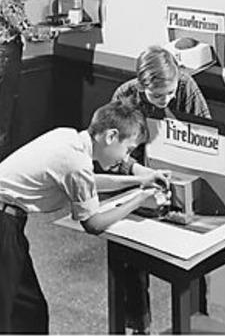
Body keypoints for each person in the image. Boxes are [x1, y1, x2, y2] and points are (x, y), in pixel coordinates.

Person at [0, 100, 170, 334]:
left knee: (29, 311)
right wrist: (140, 198)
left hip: (9, 221)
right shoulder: (76, 162)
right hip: (3, 224)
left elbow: (85, 183)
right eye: (128, 149)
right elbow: (94, 224)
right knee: (11, 314)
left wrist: (140, 180)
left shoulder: (68, 138)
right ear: (111, 136)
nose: (125, 158)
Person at [110, 45, 210, 334]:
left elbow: (207, 135)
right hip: (137, 180)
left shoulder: (188, 86)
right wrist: (143, 177)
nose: (167, 99)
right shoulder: (124, 97)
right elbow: (116, 154)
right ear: (141, 87)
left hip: (183, 176)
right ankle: (139, 326)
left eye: (170, 92)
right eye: (157, 95)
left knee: (194, 251)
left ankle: (195, 319)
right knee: (131, 255)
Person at [0, 0, 82, 160]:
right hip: (5, 58)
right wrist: (60, 30)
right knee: (4, 116)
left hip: (7, 56)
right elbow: (29, 32)